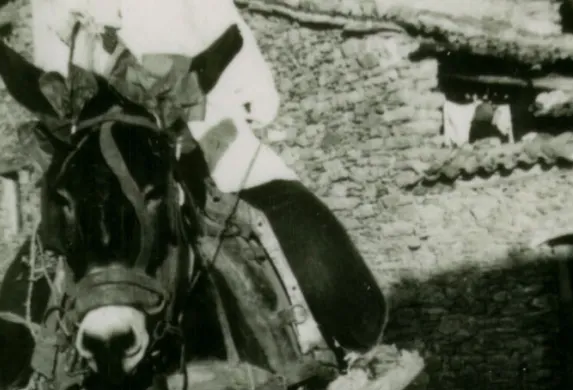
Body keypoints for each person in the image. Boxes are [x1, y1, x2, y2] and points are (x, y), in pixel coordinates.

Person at [37, 0, 388, 357]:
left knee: (285, 209)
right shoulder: (64, 13)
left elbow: (233, 47)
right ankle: (46, 362)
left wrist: (246, 101)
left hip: (201, 130)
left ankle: (325, 333)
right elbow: (60, 95)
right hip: (106, 162)